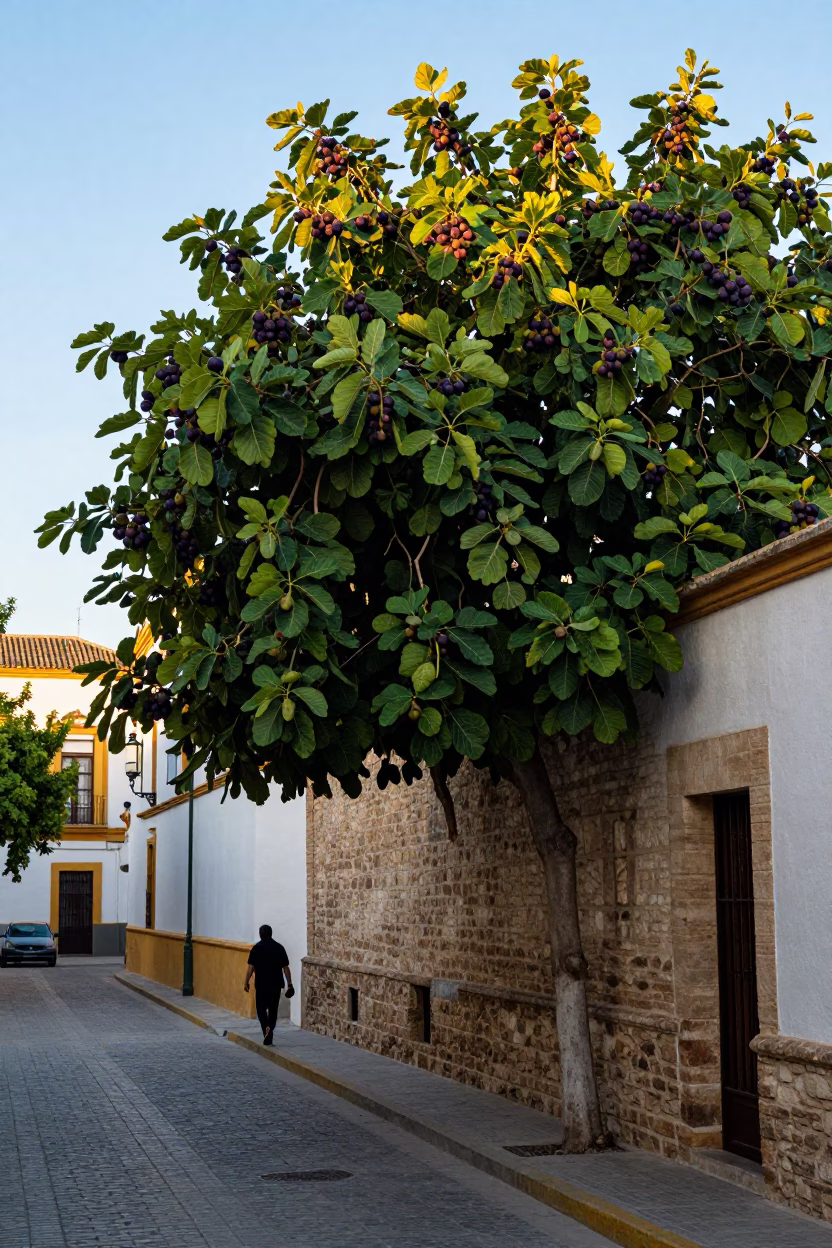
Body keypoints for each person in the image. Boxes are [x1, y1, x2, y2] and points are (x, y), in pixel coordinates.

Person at [244, 924, 294, 1046]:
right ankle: (270, 1030)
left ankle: (266, 1029)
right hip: (276, 985)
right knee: (273, 1010)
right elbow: (285, 968)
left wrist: (246, 981)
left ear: (261, 934)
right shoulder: (279, 948)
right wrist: (290, 983)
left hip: (261, 985)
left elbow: (251, 967)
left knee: (261, 1010)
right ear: (271, 934)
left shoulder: (256, 948)